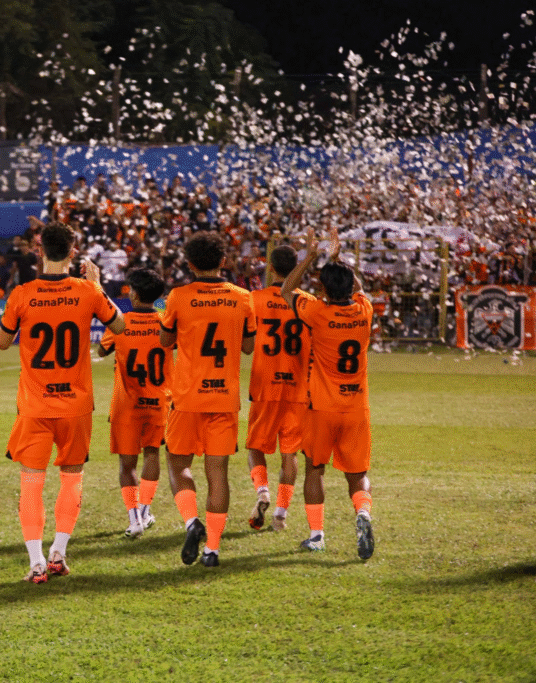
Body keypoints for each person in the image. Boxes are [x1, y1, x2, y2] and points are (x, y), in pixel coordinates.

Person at [0, 222, 125, 583]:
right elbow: (121, 328)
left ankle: (36, 563)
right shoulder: (88, 292)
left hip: (36, 406)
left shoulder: (22, 293)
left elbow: (3, 343)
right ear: (73, 252)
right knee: (72, 478)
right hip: (75, 405)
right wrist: (98, 286)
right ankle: (59, 552)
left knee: (31, 483)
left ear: (39, 252)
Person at [160, 232, 255, 567]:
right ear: (223, 262)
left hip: (186, 397)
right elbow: (248, 347)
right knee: (218, 473)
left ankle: (191, 521)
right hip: (223, 398)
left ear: (189, 264)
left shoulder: (178, 296)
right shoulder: (243, 297)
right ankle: (212, 550)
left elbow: (165, 341)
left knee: (178, 464)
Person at [280, 226, 375, 560]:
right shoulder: (365, 311)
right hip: (356, 407)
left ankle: (317, 536)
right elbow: (359, 289)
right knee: (358, 474)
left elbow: (286, 289)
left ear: (322, 289)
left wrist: (310, 257)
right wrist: (339, 259)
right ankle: (363, 514)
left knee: (314, 469)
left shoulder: (318, 313)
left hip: (321, 406)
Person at [97, 267, 171, 539]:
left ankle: (134, 519)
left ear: (134, 293)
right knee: (152, 454)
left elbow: (101, 350)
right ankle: (145, 510)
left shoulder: (121, 322)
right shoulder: (166, 320)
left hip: (126, 403)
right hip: (158, 401)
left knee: (126, 465)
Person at [243, 244, 312, 532]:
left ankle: (262, 492)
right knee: (290, 455)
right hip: (297, 388)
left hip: (265, 385)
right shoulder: (308, 302)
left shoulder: (254, 300)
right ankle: (281, 515)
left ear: (270, 268)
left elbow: (246, 343)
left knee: (255, 448)